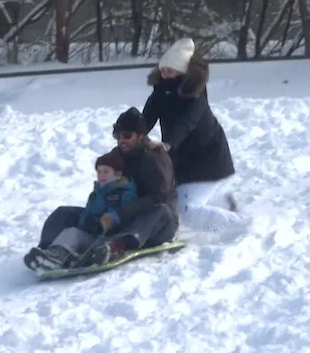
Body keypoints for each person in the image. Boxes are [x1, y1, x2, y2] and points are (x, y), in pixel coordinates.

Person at [24, 107, 178, 270]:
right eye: (117, 136)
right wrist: (96, 212)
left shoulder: (154, 157)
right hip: (119, 217)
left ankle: (116, 247)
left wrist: (119, 213)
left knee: (161, 211)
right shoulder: (117, 155)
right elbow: (106, 185)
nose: (121, 140)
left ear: (140, 136)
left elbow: (160, 197)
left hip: (155, 224)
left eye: (127, 136)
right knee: (63, 213)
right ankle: (49, 252)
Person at [141, 37, 245, 232]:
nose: (164, 74)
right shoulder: (160, 91)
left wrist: (168, 144)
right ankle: (222, 201)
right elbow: (146, 118)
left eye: (170, 71)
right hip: (182, 160)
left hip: (208, 160)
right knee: (174, 202)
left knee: (186, 211)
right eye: (162, 70)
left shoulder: (195, 96)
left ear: (181, 71)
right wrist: (131, 135)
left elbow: (186, 123)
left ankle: (241, 226)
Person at [23, 150, 138, 270]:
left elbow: (127, 214)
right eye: (99, 172)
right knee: (72, 232)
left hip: (112, 239)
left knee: (90, 242)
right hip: (93, 236)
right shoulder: (96, 194)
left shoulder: (126, 193)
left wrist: (109, 221)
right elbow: (87, 214)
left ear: (118, 174)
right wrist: (88, 222)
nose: (101, 176)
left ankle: (72, 258)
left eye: (106, 172)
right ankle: (54, 256)